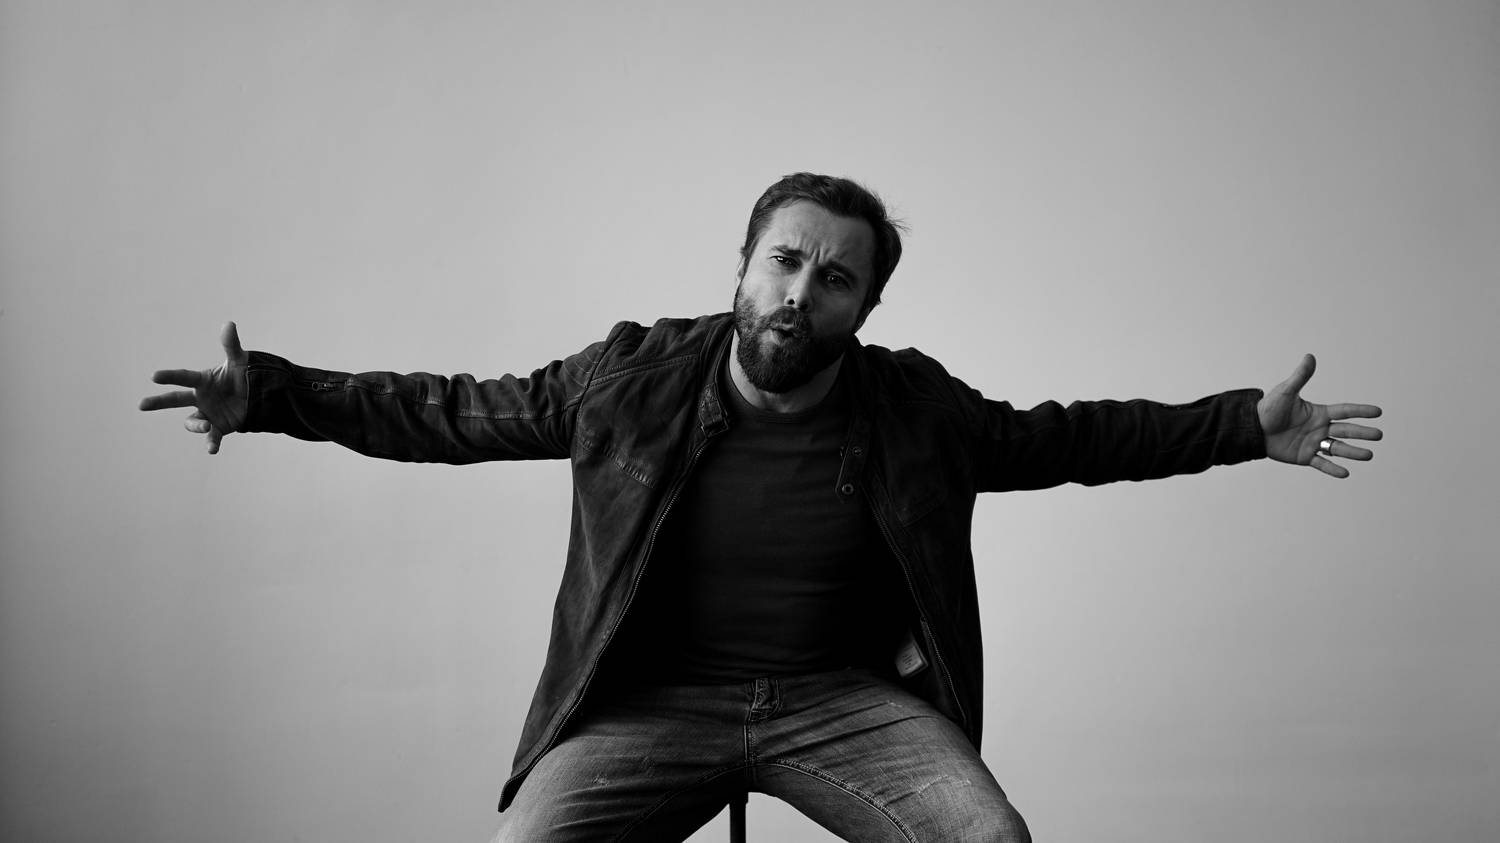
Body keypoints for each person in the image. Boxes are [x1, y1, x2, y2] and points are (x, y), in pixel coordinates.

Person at [140, 173, 1383, 842]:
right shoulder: (627, 380)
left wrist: (1243, 423)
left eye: (835, 278)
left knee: (986, 841)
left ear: (865, 308)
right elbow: (452, 413)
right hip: (651, 702)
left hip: (843, 703)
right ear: (741, 266)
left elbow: (1070, 438)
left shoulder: (915, 411)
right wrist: (275, 396)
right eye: (784, 262)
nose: (800, 293)